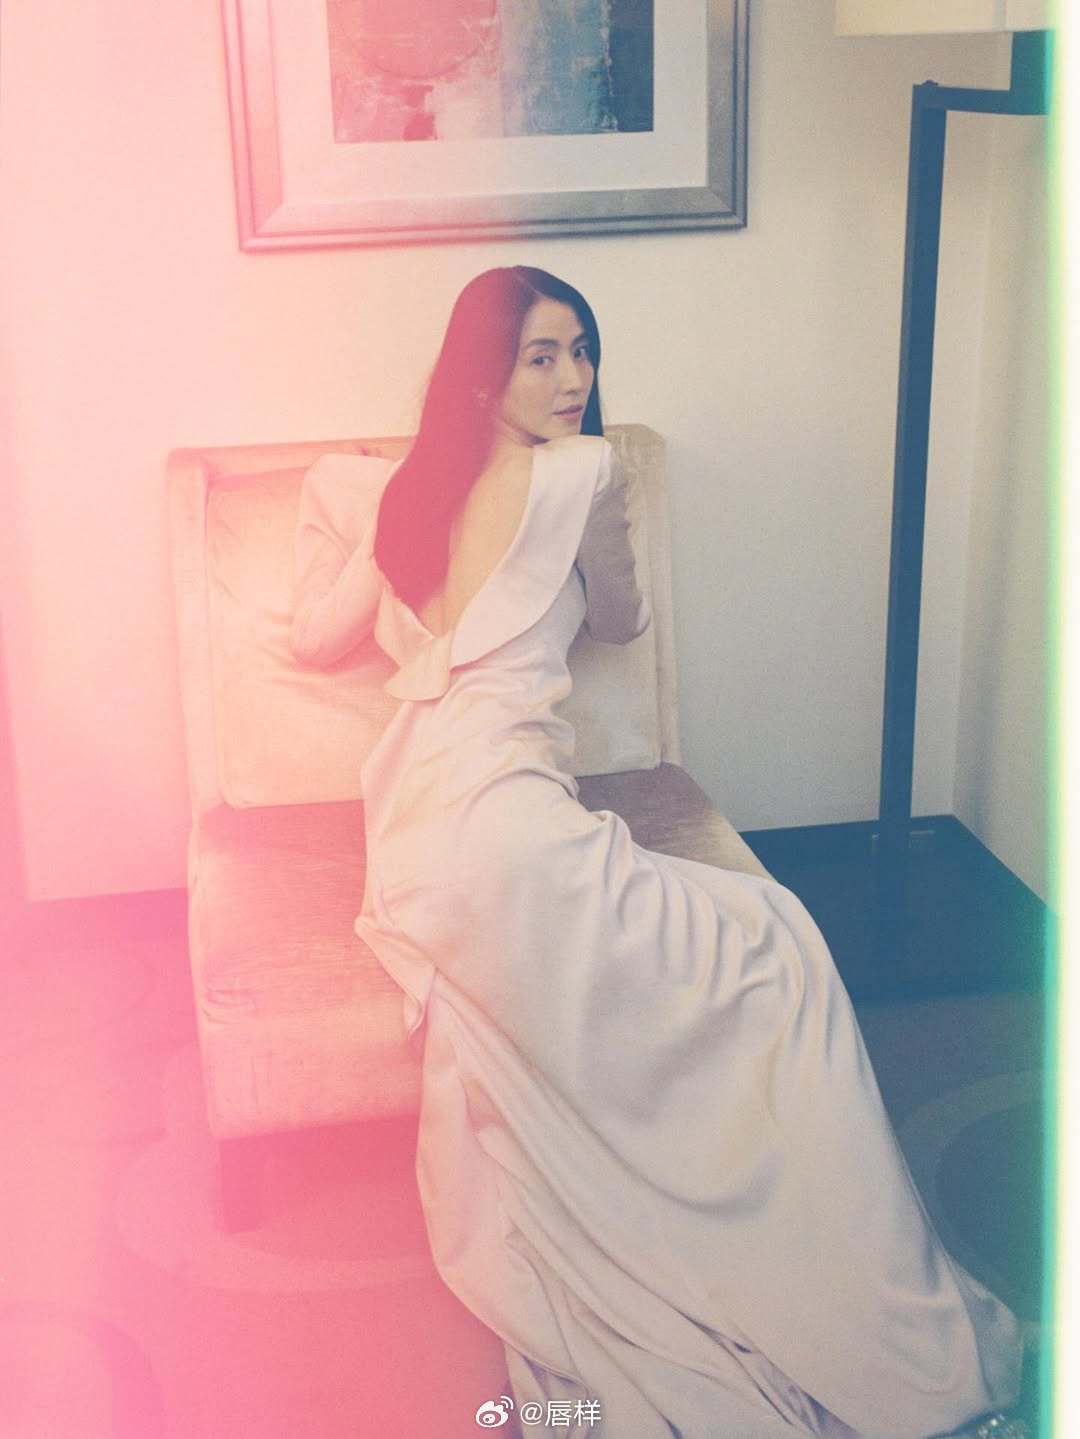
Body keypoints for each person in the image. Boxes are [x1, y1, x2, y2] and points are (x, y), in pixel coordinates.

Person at [289, 266, 1028, 1438]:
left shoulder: (403, 498)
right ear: (482, 375)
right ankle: (811, 1263)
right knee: (776, 936)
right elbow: (623, 617)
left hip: (420, 830)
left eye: (582, 349)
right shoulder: (584, 471)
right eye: (542, 355)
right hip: (509, 825)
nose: (574, 377)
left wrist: (352, 503)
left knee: (716, 954)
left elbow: (310, 636)